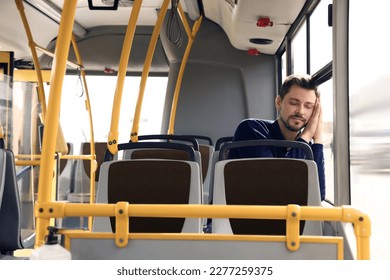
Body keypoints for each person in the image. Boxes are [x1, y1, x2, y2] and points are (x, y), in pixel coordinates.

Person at [229, 74, 325, 201]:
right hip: (236, 217)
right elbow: (275, 185)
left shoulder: (306, 147)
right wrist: (307, 135)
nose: (301, 111)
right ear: (278, 102)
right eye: (294, 103)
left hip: (285, 218)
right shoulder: (250, 129)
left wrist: (318, 140)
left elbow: (318, 196)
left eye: (308, 106)